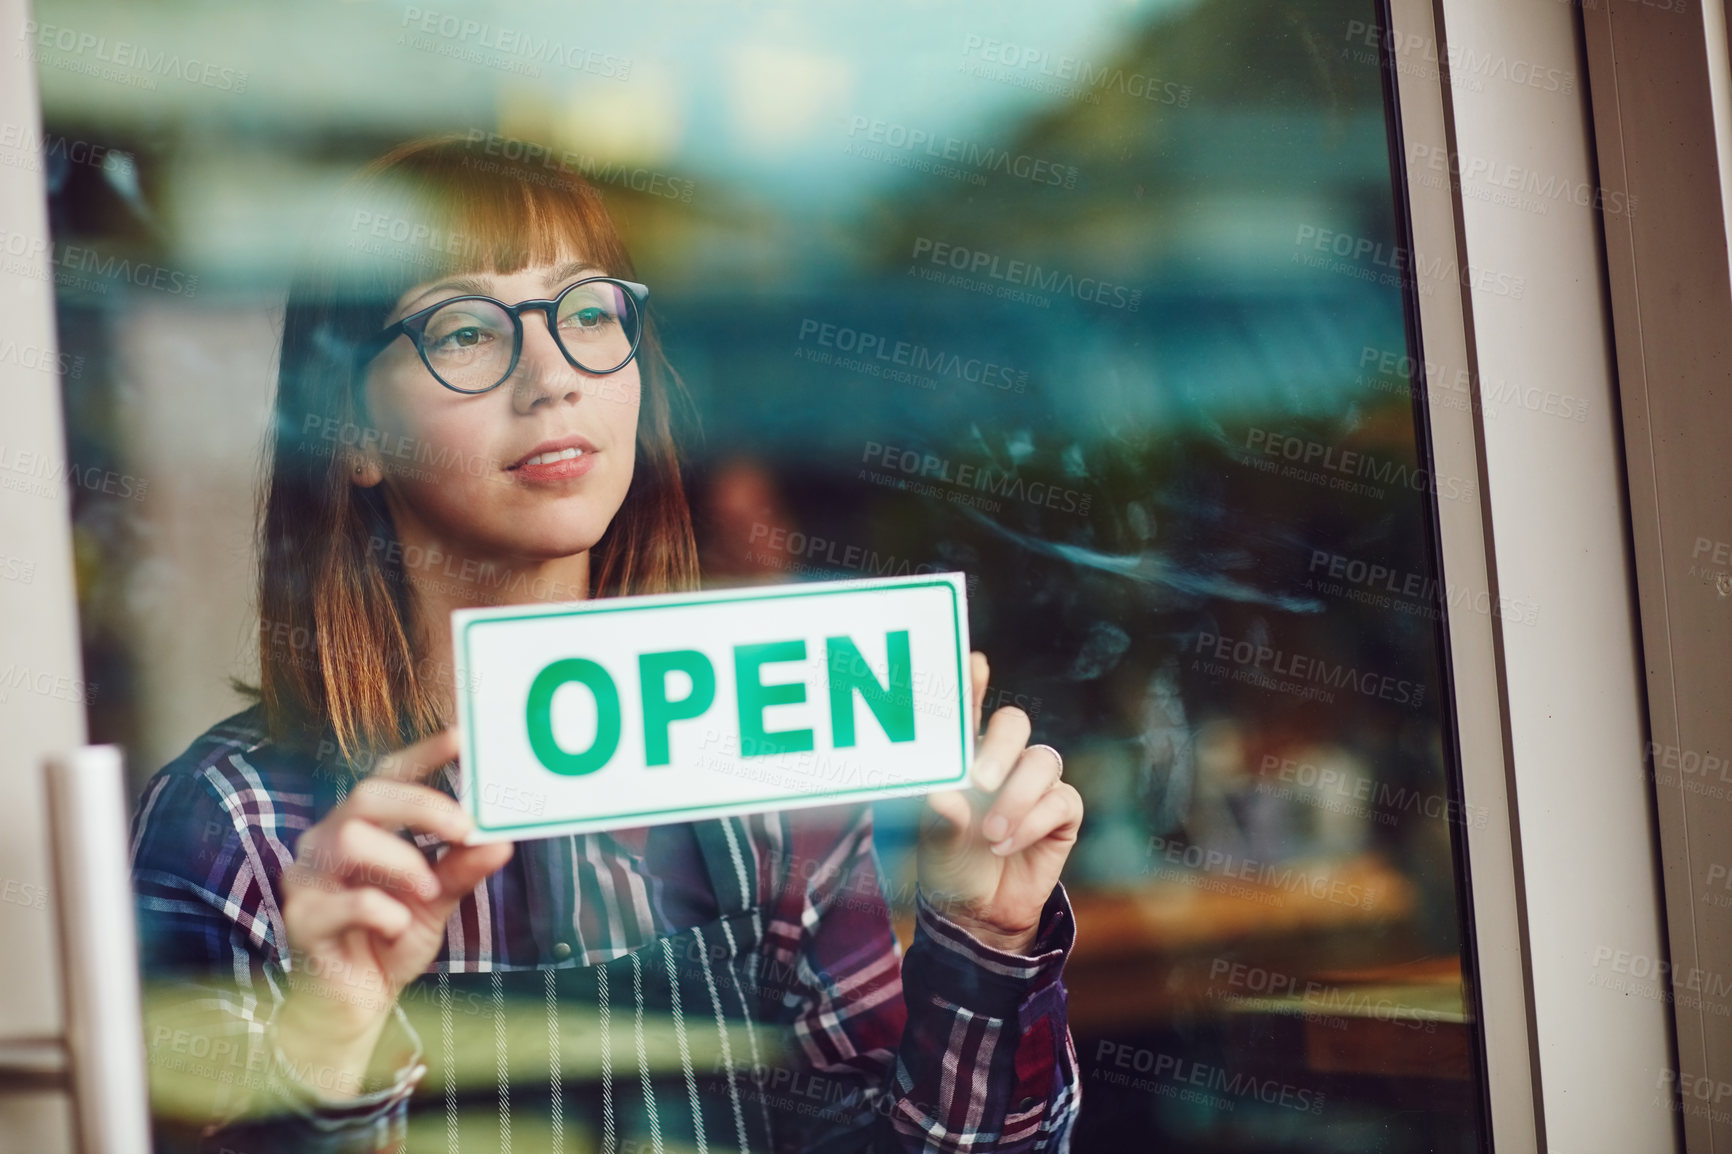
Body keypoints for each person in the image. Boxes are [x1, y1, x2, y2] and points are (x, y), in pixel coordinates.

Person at [129, 134, 1085, 1154]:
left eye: (588, 312)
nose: (551, 378)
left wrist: (984, 941)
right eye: (462, 330)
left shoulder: (764, 753)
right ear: (348, 433)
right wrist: (324, 1044)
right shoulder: (235, 825)